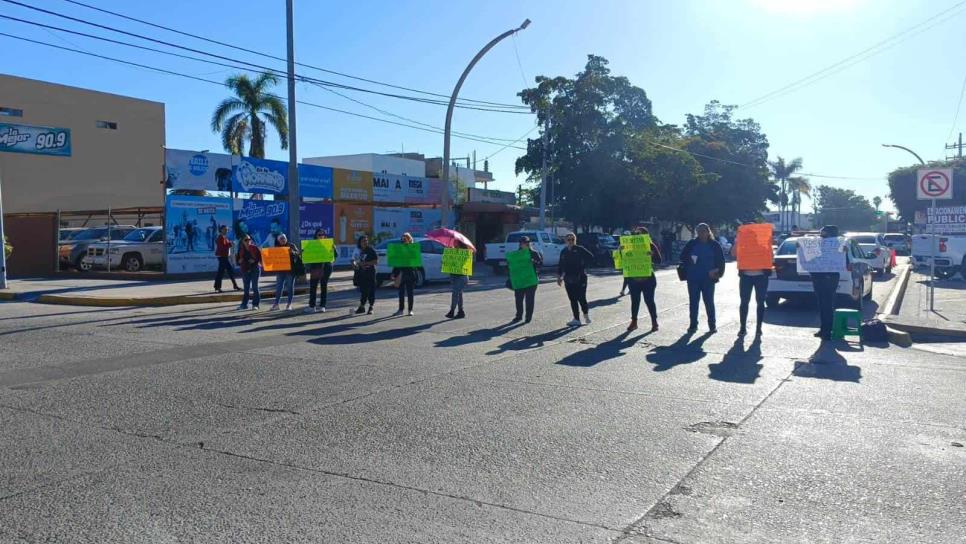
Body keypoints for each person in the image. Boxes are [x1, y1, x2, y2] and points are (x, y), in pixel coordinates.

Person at [679, 223, 725, 333]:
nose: (702, 233)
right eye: (699, 231)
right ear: (697, 232)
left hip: (709, 279)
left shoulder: (714, 245)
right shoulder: (691, 244)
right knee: (693, 302)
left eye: (704, 231)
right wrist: (690, 260)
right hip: (693, 278)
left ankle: (712, 325)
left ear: (708, 232)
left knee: (709, 302)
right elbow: (682, 257)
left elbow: (721, 261)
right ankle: (693, 325)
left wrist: (718, 272)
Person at [732, 221, 771, 338]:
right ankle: (742, 327)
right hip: (746, 277)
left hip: (761, 277)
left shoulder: (762, 246)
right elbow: (733, 254)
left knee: (760, 302)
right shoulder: (741, 247)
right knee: (744, 302)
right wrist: (737, 241)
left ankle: (759, 328)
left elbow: (769, 257)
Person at [624, 226, 663, 332]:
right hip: (634, 278)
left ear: (645, 236)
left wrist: (652, 254)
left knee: (649, 301)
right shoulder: (629, 245)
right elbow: (623, 259)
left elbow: (659, 260)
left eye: (641, 234)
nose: (638, 235)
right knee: (635, 301)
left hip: (648, 279)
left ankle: (654, 322)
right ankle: (634, 322)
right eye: (636, 234)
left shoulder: (650, 245)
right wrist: (621, 252)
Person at [811, 225, 844, 341]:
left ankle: (828, 331)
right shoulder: (819, 244)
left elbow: (842, 261)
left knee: (827, 304)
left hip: (830, 277)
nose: (821, 235)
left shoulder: (838, 245)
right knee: (822, 304)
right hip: (818, 276)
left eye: (824, 233)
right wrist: (800, 248)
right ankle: (823, 328)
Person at [557, 232, 595, 326]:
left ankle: (586, 315)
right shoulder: (564, 251)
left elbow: (591, 257)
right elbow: (560, 265)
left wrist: (583, 266)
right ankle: (576, 319)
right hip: (568, 278)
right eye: (568, 239)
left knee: (581, 298)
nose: (570, 241)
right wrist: (559, 277)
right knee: (572, 299)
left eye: (572, 239)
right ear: (565, 241)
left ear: (575, 240)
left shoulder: (580, 249)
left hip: (581, 278)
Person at [510, 236, 543, 323]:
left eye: (525, 243)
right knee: (518, 299)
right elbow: (512, 266)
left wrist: (534, 262)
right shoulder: (517, 254)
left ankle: (528, 317)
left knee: (529, 299)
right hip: (520, 280)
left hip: (531, 280)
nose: (523, 244)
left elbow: (540, 264)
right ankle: (518, 316)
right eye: (522, 243)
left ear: (528, 244)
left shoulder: (534, 253)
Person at [270, 234, 303, 311]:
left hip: (290, 270)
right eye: (281, 239)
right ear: (278, 240)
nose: (283, 240)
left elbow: (298, 253)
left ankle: (289, 304)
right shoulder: (276, 247)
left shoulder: (291, 245)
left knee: (290, 287)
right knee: (279, 287)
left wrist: (292, 252)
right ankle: (276, 304)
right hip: (280, 270)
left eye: (284, 238)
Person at [304, 228, 333, 314]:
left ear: (325, 236)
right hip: (315, 268)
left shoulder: (328, 244)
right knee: (313, 287)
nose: (321, 236)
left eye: (322, 234)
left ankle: (322, 306)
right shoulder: (311, 244)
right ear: (316, 236)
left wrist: (333, 249)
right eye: (319, 235)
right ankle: (312, 306)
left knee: (324, 287)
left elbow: (335, 255)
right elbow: (306, 256)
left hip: (326, 268)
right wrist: (304, 252)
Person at [391, 232, 418, 317]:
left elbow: (415, 263)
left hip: (410, 273)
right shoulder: (399, 249)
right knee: (401, 292)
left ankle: (410, 310)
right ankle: (401, 309)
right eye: (403, 238)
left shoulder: (413, 248)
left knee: (410, 292)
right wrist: (393, 273)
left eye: (406, 238)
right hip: (401, 273)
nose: (404, 239)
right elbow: (396, 262)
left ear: (410, 239)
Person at [445, 240, 471, 319]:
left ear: (460, 243)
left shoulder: (464, 253)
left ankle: (452, 311)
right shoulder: (452, 251)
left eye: (455, 242)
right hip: (454, 276)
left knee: (455, 293)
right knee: (459, 294)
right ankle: (461, 311)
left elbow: (464, 264)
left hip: (462, 276)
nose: (454, 243)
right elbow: (448, 263)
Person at [352, 235, 378, 315]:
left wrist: (365, 263)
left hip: (370, 273)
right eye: (363, 241)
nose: (365, 242)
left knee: (370, 290)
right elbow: (353, 260)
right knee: (363, 290)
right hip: (361, 273)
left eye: (366, 240)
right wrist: (354, 264)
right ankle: (362, 307)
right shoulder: (357, 250)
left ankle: (371, 307)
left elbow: (376, 261)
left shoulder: (370, 250)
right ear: (360, 242)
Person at [236, 234, 261, 310]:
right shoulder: (240, 249)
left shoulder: (255, 248)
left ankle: (255, 304)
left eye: (249, 239)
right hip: (245, 270)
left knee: (255, 287)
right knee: (246, 288)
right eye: (246, 240)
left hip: (255, 269)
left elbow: (260, 258)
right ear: (242, 241)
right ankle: (244, 304)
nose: (248, 241)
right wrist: (239, 261)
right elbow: (237, 260)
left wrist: (255, 260)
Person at [213, 225, 240, 293]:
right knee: (222, 272)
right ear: (221, 230)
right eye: (225, 229)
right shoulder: (220, 237)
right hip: (222, 257)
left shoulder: (224, 237)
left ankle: (234, 285)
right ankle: (218, 287)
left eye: (227, 229)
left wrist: (230, 243)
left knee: (227, 271)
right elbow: (222, 247)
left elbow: (226, 245)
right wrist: (230, 244)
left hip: (224, 257)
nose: (226, 231)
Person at [619, 230, 632, 296]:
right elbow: (619, 254)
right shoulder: (621, 245)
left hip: (632, 263)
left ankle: (627, 289)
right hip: (626, 263)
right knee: (627, 277)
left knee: (629, 277)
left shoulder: (632, 244)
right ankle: (624, 290)